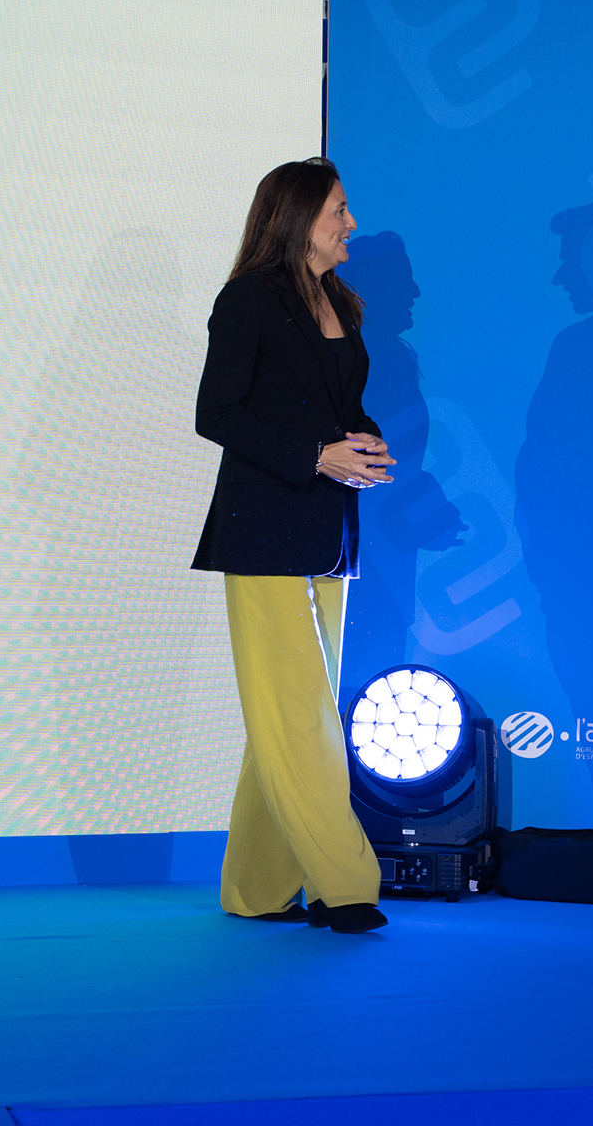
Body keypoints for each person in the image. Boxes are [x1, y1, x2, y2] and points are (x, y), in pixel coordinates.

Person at [191, 157, 397, 935]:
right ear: (298, 218)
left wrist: (363, 444)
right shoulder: (247, 299)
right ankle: (345, 884)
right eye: (339, 210)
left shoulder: (338, 299)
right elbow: (217, 414)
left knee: (288, 716)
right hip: (262, 531)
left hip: (329, 528)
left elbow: (338, 407)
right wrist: (315, 456)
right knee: (301, 713)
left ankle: (256, 886)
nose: (351, 223)